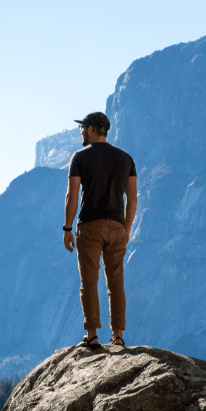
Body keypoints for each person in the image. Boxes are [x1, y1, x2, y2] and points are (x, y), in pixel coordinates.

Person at [63, 111, 137, 349]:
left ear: (92, 129)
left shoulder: (79, 157)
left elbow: (72, 195)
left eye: (82, 127)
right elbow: (133, 198)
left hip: (90, 226)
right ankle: (118, 336)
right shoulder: (126, 159)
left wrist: (67, 228)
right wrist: (127, 228)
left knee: (89, 281)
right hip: (117, 227)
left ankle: (92, 335)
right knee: (116, 282)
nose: (81, 132)